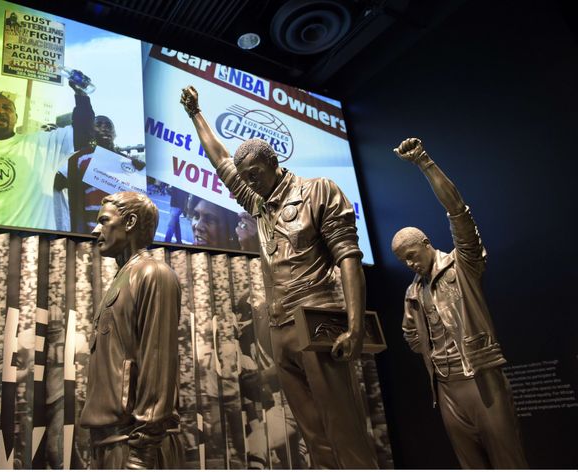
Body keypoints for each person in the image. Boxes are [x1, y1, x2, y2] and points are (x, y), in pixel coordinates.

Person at [180, 86, 378, 468]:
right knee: (313, 436)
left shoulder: (317, 191)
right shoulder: (258, 205)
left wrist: (354, 326)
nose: (250, 182)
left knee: (344, 430)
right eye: (246, 177)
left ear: (273, 164)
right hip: (279, 328)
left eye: (255, 174)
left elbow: (349, 258)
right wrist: (196, 114)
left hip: (318, 320)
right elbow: (221, 159)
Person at [392, 137, 528, 469]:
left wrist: (424, 161)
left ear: (426, 244)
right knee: (470, 465)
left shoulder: (462, 265)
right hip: (445, 386)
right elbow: (410, 335)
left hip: (479, 376)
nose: (409, 265)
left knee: (508, 460)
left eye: (411, 256)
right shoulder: (413, 292)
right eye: (403, 262)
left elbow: (459, 213)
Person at [80, 191, 184, 469]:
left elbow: (158, 364)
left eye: (104, 220)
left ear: (130, 222)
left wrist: (141, 453)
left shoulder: (153, 274)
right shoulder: (124, 278)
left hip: (135, 446)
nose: (95, 229)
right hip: (112, 443)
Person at [0, 79, 92, 230]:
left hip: (27, 247)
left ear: (16, 117)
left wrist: (81, 95)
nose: (0, 111)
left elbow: (83, 133)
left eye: (7, 108)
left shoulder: (42, 145)